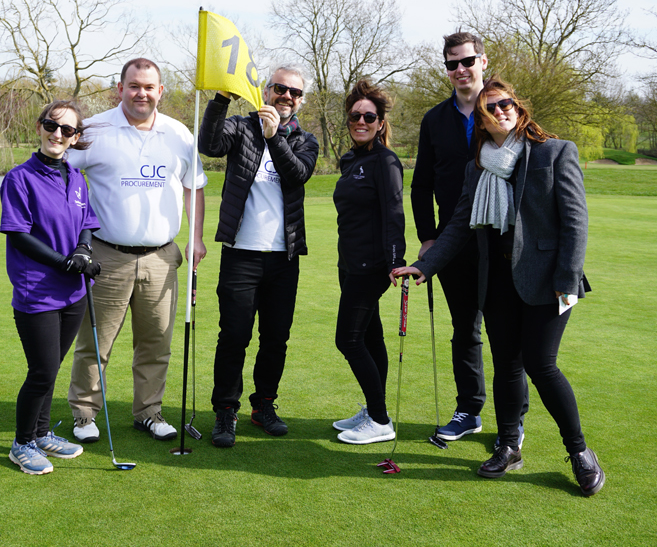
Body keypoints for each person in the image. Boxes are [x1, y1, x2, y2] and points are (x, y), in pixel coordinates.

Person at [394, 76, 605, 496]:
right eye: (491, 107)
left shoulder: (554, 152)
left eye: (506, 103)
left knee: (541, 366)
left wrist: (566, 282)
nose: (501, 111)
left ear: (518, 107)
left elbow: (575, 223)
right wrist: (424, 265)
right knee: (507, 364)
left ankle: (580, 452)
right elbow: (458, 226)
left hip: (548, 283)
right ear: (482, 121)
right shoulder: (478, 167)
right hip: (498, 281)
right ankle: (509, 445)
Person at [67, 58, 207, 443]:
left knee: (156, 342)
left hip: (162, 257)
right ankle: (84, 414)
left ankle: (148, 412)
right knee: (96, 343)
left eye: (149, 86)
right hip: (107, 254)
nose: (141, 93)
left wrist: (195, 238)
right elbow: (60, 169)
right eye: (133, 86)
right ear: (120, 88)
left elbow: (195, 187)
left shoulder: (179, 133)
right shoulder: (94, 130)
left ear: (160, 91)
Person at [412, 32, 528, 444]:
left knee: (507, 334)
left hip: (502, 242)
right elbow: (421, 183)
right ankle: (469, 410)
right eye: (451, 63)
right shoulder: (434, 120)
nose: (460, 69)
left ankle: (512, 423)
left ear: (482, 61)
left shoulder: (501, 109)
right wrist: (428, 238)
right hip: (454, 240)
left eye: (466, 61)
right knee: (465, 329)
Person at [198, 64, 318, 447]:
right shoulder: (242, 126)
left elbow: (298, 174)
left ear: (301, 100)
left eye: (294, 93)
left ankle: (263, 404)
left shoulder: (304, 139)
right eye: (280, 89)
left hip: (284, 257)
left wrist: (275, 136)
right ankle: (225, 411)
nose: (287, 96)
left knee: (275, 338)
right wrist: (220, 99)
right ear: (267, 91)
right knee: (234, 335)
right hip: (241, 254)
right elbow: (209, 145)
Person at [0, 100, 101, 475]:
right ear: (40, 127)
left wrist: (84, 250)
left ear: (76, 138)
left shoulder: (76, 178)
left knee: (52, 368)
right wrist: (63, 262)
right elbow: (19, 234)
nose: (57, 134)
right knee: (41, 371)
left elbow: (87, 222)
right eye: (51, 125)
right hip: (37, 292)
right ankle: (21, 443)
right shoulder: (19, 178)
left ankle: (41, 434)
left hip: (72, 293)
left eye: (67, 130)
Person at [331, 80, 406, 445]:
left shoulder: (385, 161)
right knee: (371, 336)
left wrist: (396, 261)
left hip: (371, 266)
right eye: (355, 116)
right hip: (350, 263)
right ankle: (376, 409)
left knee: (348, 339)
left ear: (380, 122)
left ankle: (379, 419)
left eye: (369, 116)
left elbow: (394, 211)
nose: (361, 121)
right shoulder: (351, 160)